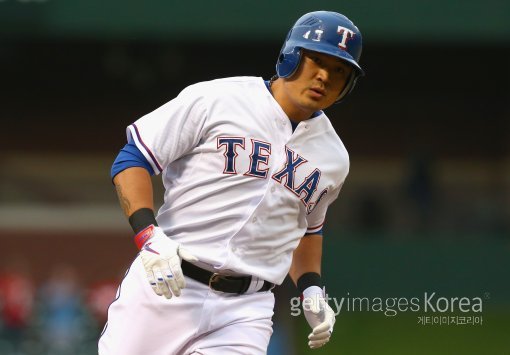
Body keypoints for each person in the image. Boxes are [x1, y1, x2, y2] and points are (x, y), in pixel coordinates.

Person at [99, 10, 364, 355]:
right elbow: (133, 157)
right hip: (168, 284)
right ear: (290, 56)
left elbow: (307, 228)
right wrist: (148, 235)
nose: (324, 76)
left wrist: (311, 288)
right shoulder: (217, 99)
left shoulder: (334, 158)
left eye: (340, 70)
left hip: (246, 310)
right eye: (316, 59)